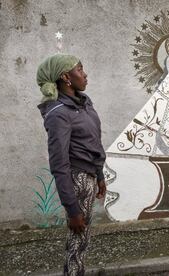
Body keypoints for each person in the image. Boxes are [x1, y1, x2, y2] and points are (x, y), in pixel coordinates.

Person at [37, 54, 107, 275]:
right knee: (77, 244)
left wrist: (100, 174)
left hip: (89, 176)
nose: (84, 74)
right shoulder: (59, 114)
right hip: (76, 181)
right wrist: (72, 209)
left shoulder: (84, 104)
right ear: (66, 77)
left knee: (82, 242)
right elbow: (59, 164)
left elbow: (93, 141)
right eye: (79, 69)